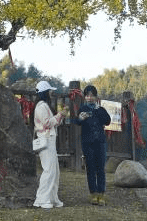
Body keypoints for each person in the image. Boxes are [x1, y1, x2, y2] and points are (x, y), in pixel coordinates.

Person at [71, 84, 112, 205]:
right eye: (87, 96)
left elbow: (107, 121)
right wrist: (80, 119)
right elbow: (76, 122)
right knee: (90, 168)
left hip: (100, 142)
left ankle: (101, 194)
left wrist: (98, 110)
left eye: (92, 95)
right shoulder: (83, 108)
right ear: (85, 97)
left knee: (100, 169)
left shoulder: (100, 109)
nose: (89, 98)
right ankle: (93, 194)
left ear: (96, 96)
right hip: (87, 143)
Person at [33, 80, 66, 209]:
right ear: (45, 92)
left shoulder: (43, 106)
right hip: (46, 140)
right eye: (49, 91)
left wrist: (59, 117)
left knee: (54, 171)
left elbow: (49, 123)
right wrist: (59, 115)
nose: (51, 93)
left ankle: (52, 198)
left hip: (49, 140)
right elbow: (47, 123)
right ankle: (42, 199)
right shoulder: (41, 106)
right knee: (49, 171)